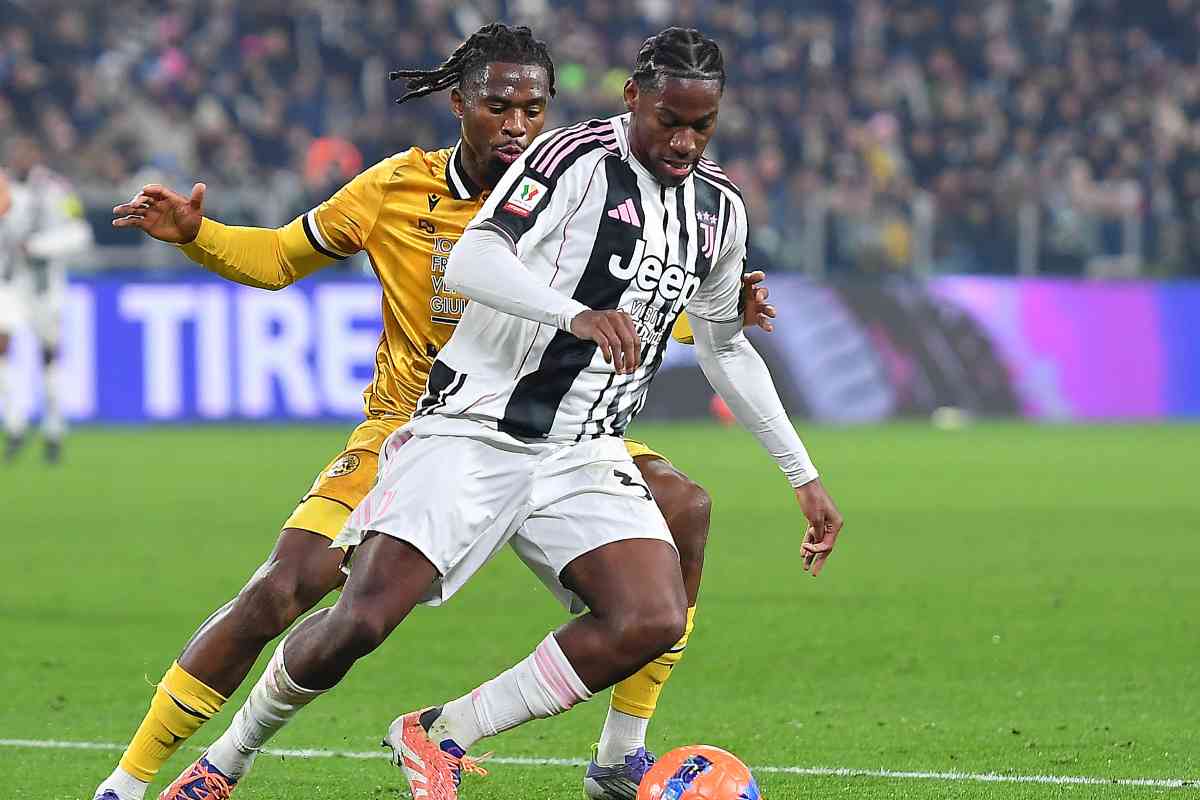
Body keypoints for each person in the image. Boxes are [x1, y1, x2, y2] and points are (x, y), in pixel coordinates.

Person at [98, 24, 771, 800]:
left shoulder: (586, 185)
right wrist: (198, 236)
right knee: (288, 587)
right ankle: (136, 779)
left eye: (533, 109)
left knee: (685, 509)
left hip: (553, 424)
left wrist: (715, 315)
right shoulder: (394, 189)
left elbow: (632, 309)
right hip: (414, 424)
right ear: (459, 104)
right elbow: (282, 257)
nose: (517, 126)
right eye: (499, 107)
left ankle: (621, 754)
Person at [0, 136, 93, 464]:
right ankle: (15, 423)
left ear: (36, 156)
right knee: (2, 346)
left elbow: (80, 233)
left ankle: (54, 427)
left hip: (44, 287)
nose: (20, 159)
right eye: (16, 153)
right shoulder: (3, 186)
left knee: (49, 357)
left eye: (27, 153)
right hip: (9, 283)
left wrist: (39, 246)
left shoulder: (56, 190)